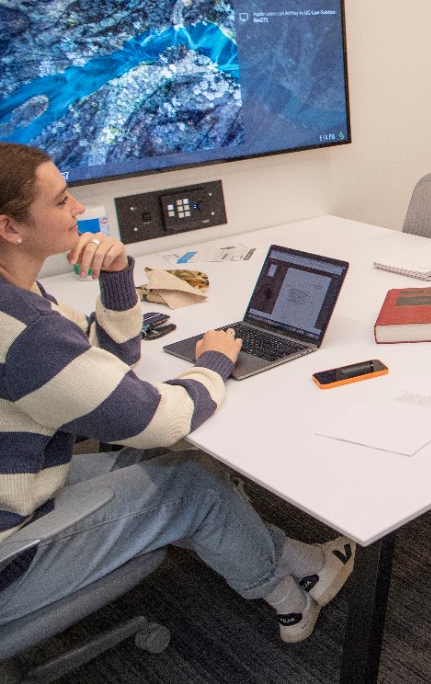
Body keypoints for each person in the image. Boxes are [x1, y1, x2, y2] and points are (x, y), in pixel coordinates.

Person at [0, 144, 356, 643]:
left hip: (26, 488)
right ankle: (287, 595)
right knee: (189, 480)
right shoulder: (24, 332)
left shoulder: (18, 299)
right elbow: (157, 422)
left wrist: (118, 274)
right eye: (61, 201)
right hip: (11, 557)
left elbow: (106, 361)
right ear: (10, 228)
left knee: (181, 467)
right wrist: (215, 362)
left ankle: (306, 563)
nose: (78, 209)